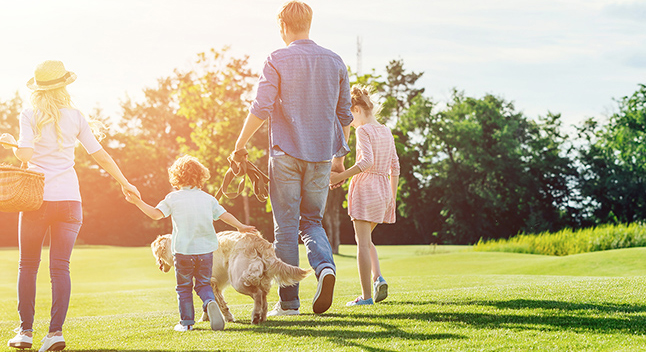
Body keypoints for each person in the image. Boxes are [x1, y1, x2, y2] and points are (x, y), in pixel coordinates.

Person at [1, 60, 140, 351]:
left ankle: (25, 332)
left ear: (38, 89)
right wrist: (125, 182)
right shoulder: (76, 116)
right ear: (64, 85)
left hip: (37, 200)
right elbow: (100, 156)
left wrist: (11, 143)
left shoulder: (29, 114)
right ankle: (55, 334)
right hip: (70, 201)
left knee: (28, 266)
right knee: (60, 268)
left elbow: (25, 156)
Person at [232, 0, 353, 316]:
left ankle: (289, 304)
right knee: (311, 221)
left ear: (283, 26)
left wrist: (239, 145)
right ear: (309, 24)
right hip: (321, 156)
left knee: (285, 228)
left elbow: (261, 107)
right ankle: (325, 266)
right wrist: (340, 159)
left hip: (284, 155)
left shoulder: (277, 58)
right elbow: (345, 116)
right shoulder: (335, 61)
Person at [125, 154, 255, 331]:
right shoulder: (208, 199)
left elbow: (155, 214)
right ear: (201, 176)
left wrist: (137, 202)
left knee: (184, 288)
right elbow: (224, 215)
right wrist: (241, 226)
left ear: (176, 177)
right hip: (205, 252)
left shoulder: (173, 198)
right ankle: (210, 301)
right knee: (203, 284)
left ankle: (186, 323)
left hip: (183, 252)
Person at [329, 86, 400, 306]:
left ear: (357, 109)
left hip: (365, 188)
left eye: (350, 117)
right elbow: (395, 167)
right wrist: (392, 197)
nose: (349, 123)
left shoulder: (363, 130)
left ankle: (366, 297)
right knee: (365, 239)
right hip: (383, 190)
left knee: (361, 243)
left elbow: (366, 162)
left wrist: (340, 175)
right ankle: (378, 278)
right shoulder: (386, 131)